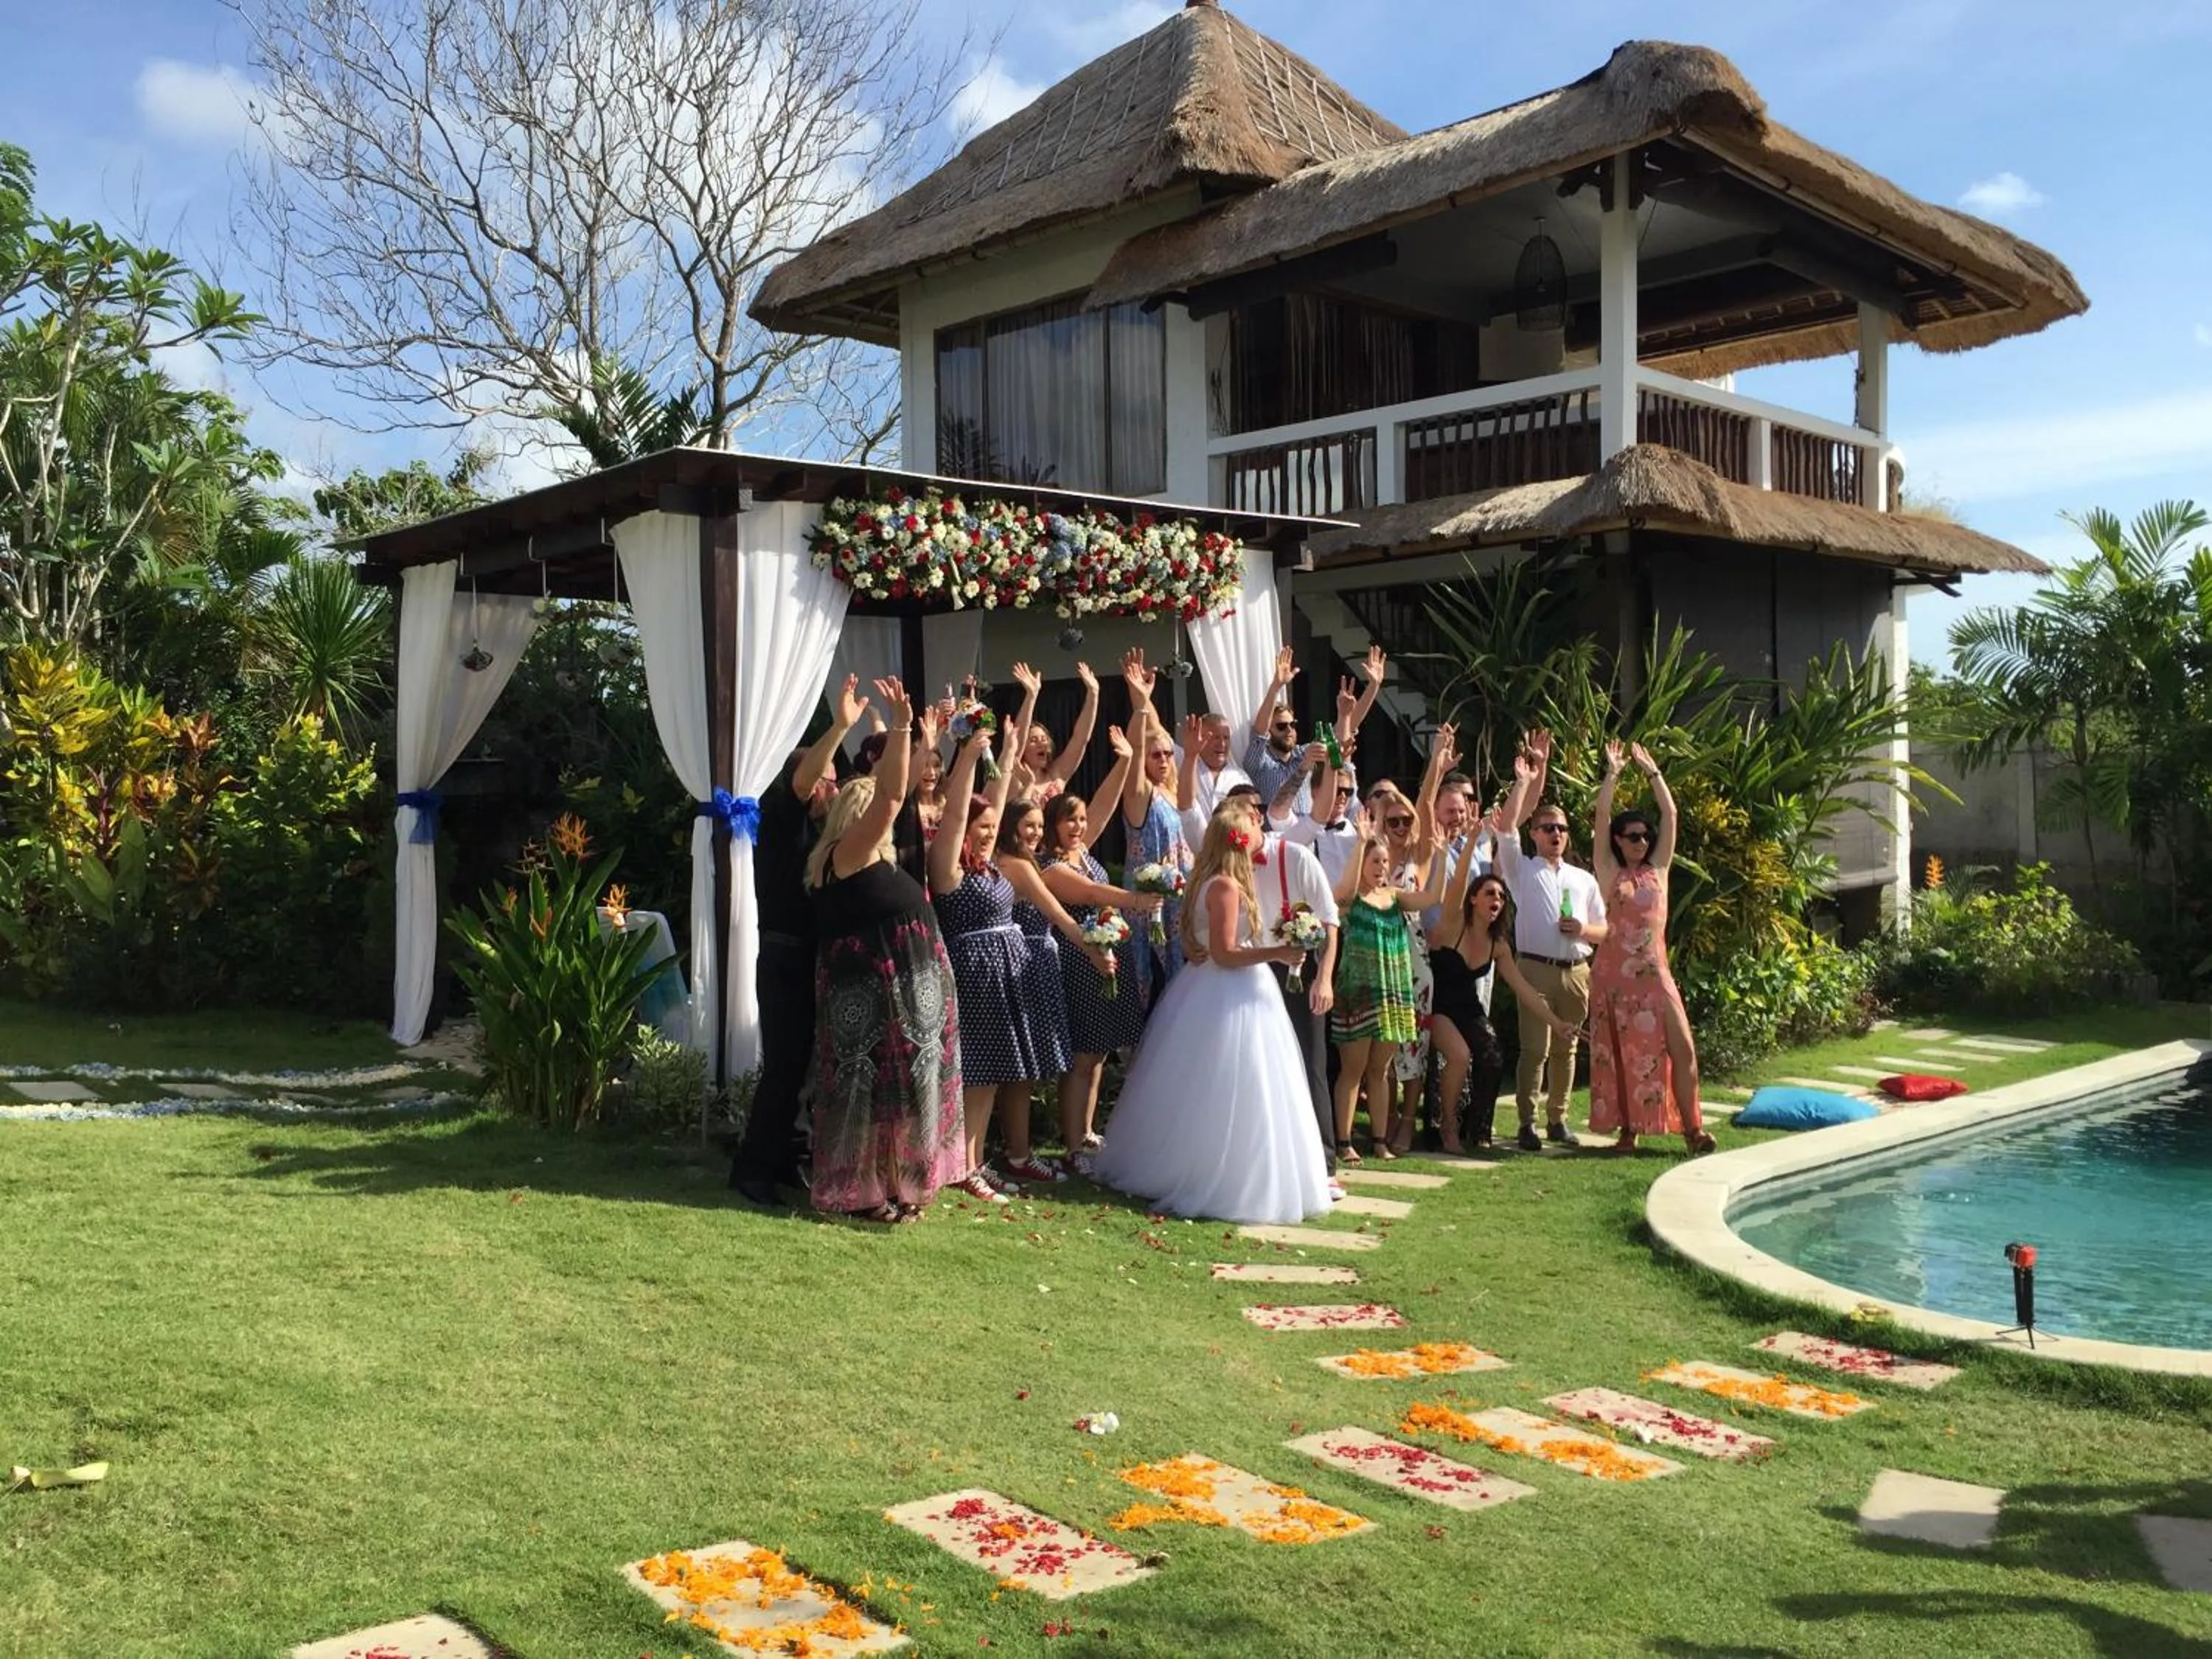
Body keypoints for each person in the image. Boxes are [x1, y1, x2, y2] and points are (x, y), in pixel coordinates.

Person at [1090, 808, 1332, 1224]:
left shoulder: (1214, 882)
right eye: (1255, 826)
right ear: (1240, 839)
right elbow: (1223, 952)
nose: (1261, 830)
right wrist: (1276, 951)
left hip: (1219, 990)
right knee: (1236, 1084)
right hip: (1229, 993)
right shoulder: (1224, 887)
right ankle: (1228, 1179)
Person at [930, 693, 1115, 1200]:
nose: (988, 837)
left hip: (1009, 972)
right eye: (980, 830)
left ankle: (974, 1162)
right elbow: (956, 817)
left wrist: (1007, 753)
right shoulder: (949, 869)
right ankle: (961, 1165)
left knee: (992, 1076)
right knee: (978, 1074)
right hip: (975, 971)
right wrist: (970, 754)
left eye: (993, 830)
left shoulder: (994, 864)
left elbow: (999, 798)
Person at [799, 679, 965, 1224]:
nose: (889, 822)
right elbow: (893, 794)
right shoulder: (850, 854)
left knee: (894, 1096)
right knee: (868, 1095)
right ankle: (865, 1194)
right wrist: (899, 725)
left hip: (893, 992)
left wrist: (921, 741)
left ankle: (895, 1187)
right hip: (873, 993)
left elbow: (895, 790)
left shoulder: (860, 859)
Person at [731, 673, 869, 1207]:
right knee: (784, 1067)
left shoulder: (825, 835)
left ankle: (788, 1157)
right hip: (785, 956)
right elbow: (803, 780)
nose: (832, 789)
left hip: (814, 957)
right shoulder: (783, 820)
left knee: (807, 1069)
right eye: (826, 782)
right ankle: (752, 1168)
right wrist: (839, 727)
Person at [1588, 740, 1714, 1155]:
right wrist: (1613, 773)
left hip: (1656, 976)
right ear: (1619, 841)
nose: (1641, 842)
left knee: (1683, 1049)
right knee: (1622, 1056)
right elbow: (1602, 814)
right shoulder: (1609, 872)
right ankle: (1629, 1131)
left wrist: (1653, 772)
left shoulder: (1658, 868)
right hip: (1614, 979)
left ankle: (1693, 1129)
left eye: (1644, 836)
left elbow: (1671, 813)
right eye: (1632, 837)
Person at [1036, 748, 1158, 1164]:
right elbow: (1088, 894)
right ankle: (1071, 1144)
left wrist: (1125, 760)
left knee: (1100, 1053)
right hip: (1077, 961)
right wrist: (1136, 899)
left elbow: (1104, 807)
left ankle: (1087, 1133)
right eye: (1069, 819)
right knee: (1082, 1055)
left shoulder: (1084, 853)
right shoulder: (1049, 866)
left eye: (1081, 820)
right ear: (1053, 825)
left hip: (1105, 957)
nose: (1079, 826)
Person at [1493, 730, 1607, 1151]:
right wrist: (1526, 779)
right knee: (1535, 1049)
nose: (1555, 834)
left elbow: (1604, 929)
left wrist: (1583, 931)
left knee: (1567, 1050)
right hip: (1535, 968)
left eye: (1561, 828)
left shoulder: (1583, 879)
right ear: (1535, 835)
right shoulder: (1523, 870)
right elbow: (1506, 827)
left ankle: (1559, 1119)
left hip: (1577, 969)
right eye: (1547, 828)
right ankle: (1528, 1123)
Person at [1222, 783, 1342, 1178]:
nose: (1239, 836)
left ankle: (1323, 1163)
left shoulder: (1296, 856)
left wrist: (1323, 978)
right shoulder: (1230, 867)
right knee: (1262, 1066)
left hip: (1300, 964)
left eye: (1244, 823)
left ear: (1257, 819)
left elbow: (1329, 920)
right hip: (1255, 969)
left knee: (1310, 1063)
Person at [1429, 866, 1573, 1153]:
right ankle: (1447, 1126)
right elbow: (1457, 883)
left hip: (1468, 1008)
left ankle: (1477, 1128)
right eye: (1490, 893)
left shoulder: (1499, 945)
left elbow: (1525, 990)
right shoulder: (1453, 925)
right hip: (1436, 1005)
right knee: (1460, 1055)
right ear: (1473, 899)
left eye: (1502, 896)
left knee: (1493, 1053)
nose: (1497, 899)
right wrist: (1470, 841)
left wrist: (1557, 1024)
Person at [1329, 830, 1443, 1161]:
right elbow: (1341, 897)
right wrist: (1361, 843)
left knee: (1380, 1070)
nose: (1381, 866)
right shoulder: (1351, 900)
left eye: (1384, 861)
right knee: (1353, 1070)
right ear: (1362, 862)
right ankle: (1343, 1142)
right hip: (1359, 993)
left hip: (1394, 992)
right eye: (1374, 860)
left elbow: (1433, 896)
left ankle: (1380, 1141)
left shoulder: (1395, 896)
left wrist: (1443, 853)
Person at [1119, 650, 1189, 1005]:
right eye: (1156, 756)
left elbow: (1157, 734)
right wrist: (1140, 705)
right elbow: (1138, 744)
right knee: (1155, 989)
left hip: (1177, 901)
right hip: (1149, 906)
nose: (1164, 760)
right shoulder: (1138, 793)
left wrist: (1145, 697)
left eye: (1168, 755)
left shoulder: (1171, 789)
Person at [1007, 660, 1101, 805]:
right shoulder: (1015, 775)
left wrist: (1093, 694)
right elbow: (1016, 743)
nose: (1041, 743)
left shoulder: (1056, 774)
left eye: (1044, 739)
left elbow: (1080, 739)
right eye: (1033, 740)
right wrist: (1031, 696)